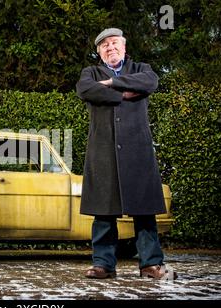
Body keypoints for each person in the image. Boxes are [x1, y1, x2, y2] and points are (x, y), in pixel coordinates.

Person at [76, 28, 177, 280]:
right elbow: (85, 90)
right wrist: (124, 93)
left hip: (137, 151)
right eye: (104, 46)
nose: (110, 48)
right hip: (103, 151)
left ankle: (151, 265)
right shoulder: (91, 72)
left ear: (124, 46)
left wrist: (110, 83)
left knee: (145, 212)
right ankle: (103, 265)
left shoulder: (142, 68)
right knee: (103, 213)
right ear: (99, 53)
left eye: (114, 43)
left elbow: (150, 82)